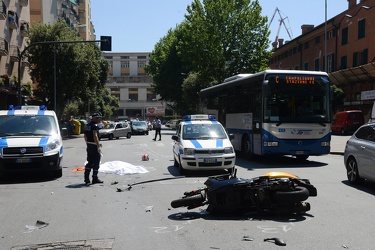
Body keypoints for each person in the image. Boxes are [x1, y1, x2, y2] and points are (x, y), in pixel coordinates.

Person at [83, 113, 103, 185]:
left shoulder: (87, 125)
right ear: (94, 118)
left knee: (90, 161)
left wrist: (88, 143)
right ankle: (95, 178)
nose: (99, 120)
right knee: (96, 162)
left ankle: (86, 178)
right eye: (98, 118)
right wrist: (98, 145)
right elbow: (95, 136)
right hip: (94, 146)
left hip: (89, 145)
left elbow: (85, 136)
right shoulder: (94, 126)